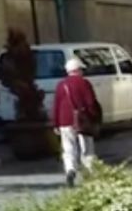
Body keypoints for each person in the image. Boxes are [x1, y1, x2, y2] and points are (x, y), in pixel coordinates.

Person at [52, 55, 102, 186]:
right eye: (81, 70)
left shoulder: (60, 85)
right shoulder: (84, 83)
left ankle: (70, 170)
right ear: (78, 70)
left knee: (68, 149)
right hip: (83, 120)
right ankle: (90, 173)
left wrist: (56, 123)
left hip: (64, 121)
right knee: (87, 148)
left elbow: (56, 105)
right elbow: (91, 103)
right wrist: (95, 118)